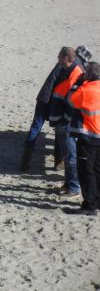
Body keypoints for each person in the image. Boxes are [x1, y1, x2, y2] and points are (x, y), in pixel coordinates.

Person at [20, 44, 92, 172]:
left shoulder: (67, 64)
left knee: (35, 128)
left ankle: (24, 164)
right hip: (52, 99)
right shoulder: (74, 67)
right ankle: (58, 163)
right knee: (58, 128)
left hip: (44, 97)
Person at [49, 47, 86, 200]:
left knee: (71, 157)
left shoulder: (74, 73)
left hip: (67, 123)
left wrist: (64, 118)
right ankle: (68, 184)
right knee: (67, 156)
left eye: (59, 56)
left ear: (65, 58)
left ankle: (73, 188)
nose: (57, 58)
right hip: (62, 122)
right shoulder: (67, 70)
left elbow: (73, 102)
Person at [64, 62, 100, 216]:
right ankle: (97, 202)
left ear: (88, 75)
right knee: (98, 170)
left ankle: (89, 206)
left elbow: (70, 100)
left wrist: (78, 83)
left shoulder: (85, 90)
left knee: (86, 172)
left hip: (89, 138)